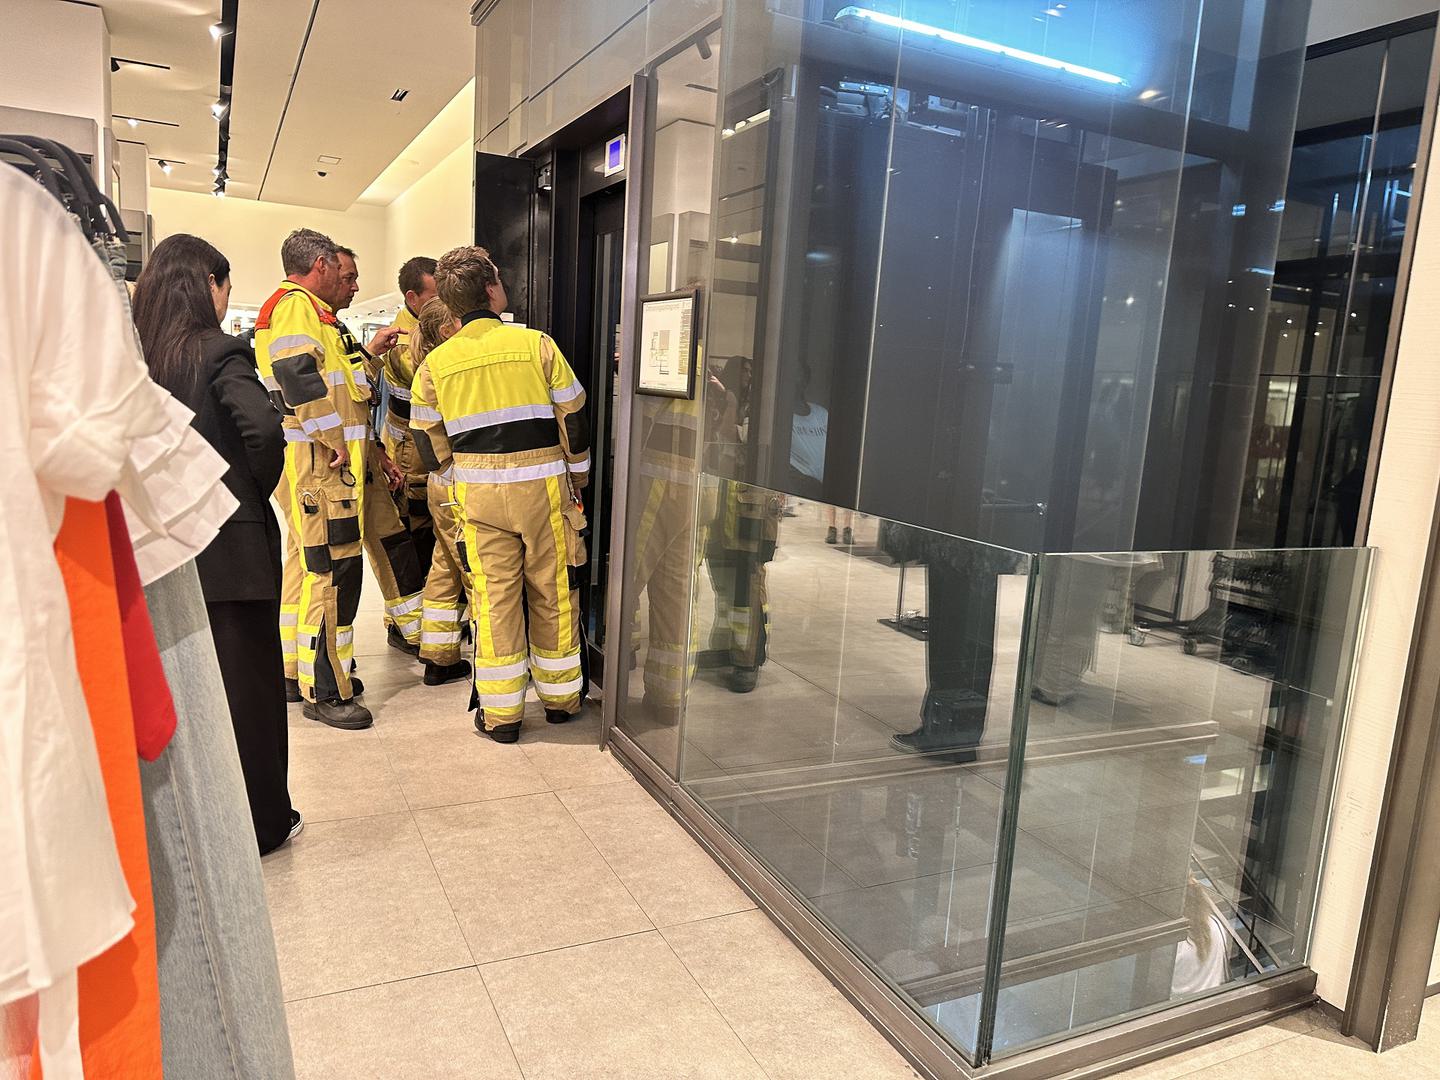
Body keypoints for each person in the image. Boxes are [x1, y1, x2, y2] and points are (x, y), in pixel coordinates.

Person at [131, 233, 300, 853]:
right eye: (224, 287)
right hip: (231, 551)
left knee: (184, 691)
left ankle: (196, 827)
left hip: (158, 550)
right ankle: (262, 821)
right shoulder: (220, 351)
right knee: (248, 690)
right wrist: (245, 496)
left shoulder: (139, 357)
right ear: (207, 284)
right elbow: (262, 431)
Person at [411, 245, 591, 743]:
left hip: (477, 494)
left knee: (493, 600)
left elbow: (427, 442)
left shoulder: (436, 365)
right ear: (492, 289)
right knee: (553, 590)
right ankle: (559, 699)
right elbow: (572, 418)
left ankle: (502, 715)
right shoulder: (537, 345)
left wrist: (461, 470)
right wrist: (579, 476)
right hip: (543, 490)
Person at [256, 228, 395, 729]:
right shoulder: (296, 304)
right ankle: (326, 690)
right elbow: (298, 376)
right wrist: (335, 439)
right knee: (331, 573)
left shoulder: (314, 316)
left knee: (304, 564)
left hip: (312, 461)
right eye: (341, 270)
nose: (347, 279)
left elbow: (344, 385)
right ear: (319, 265)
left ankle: (294, 670)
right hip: (319, 463)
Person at [327, 247, 428, 656]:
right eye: (348, 277)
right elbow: (334, 401)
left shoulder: (334, 329)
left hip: (367, 457)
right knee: (338, 565)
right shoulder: (309, 326)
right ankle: (326, 666)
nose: (354, 286)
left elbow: (355, 397)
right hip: (337, 468)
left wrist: (376, 454)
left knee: (395, 541)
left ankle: (413, 629)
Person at [408, 296, 473, 685]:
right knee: (474, 571)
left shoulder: (426, 371)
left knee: (445, 566)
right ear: (448, 329)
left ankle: (438, 655)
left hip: (439, 485)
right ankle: (493, 663)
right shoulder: (447, 370)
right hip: (457, 483)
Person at [372, 256, 441, 572]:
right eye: (435, 296)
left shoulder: (430, 326)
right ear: (412, 298)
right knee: (414, 526)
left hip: (426, 444)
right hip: (409, 451)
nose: (444, 302)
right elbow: (432, 380)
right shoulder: (400, 340)